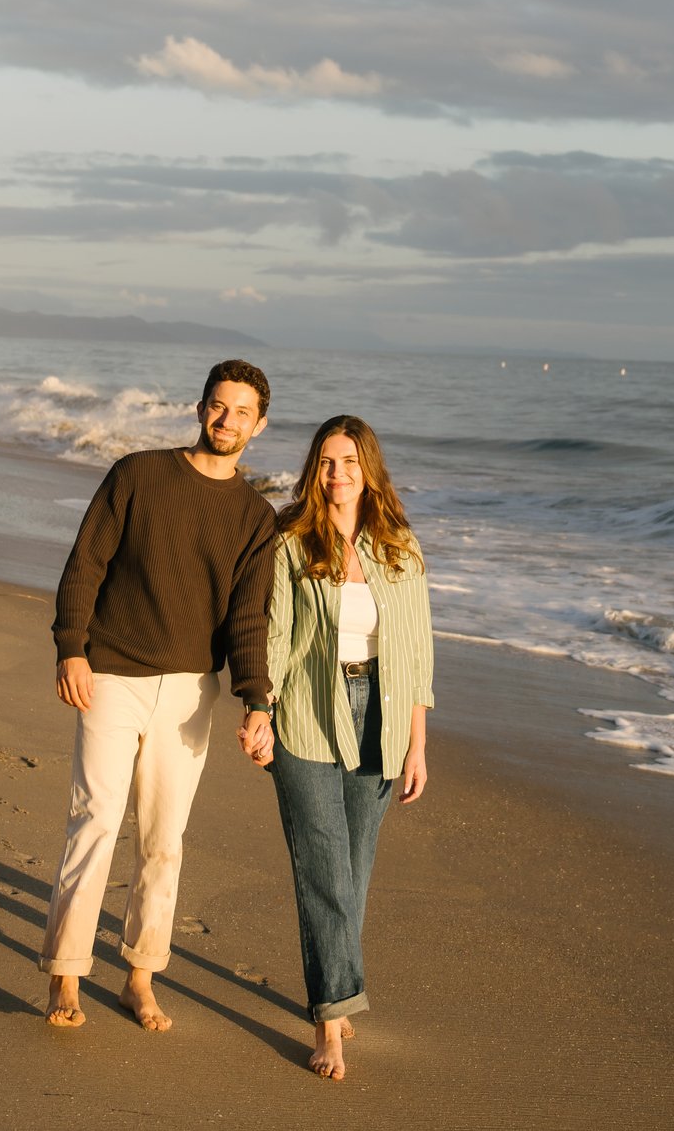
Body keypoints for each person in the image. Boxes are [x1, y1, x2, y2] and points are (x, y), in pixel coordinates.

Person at [42, 360, 279, 1032]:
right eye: (218, 406)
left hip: (190, 691)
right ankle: (65, 975)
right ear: (200, 408)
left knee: (163, 838)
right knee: (94, 821)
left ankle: (140, 977)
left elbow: (248, 617)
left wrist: (256, 699)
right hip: (112, 675)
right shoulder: (138, 474)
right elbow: (85, 562)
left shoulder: (256, 518)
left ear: (259, 425)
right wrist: (70, 646)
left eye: (241, 412)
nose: (227, 420)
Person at [243, 413, 434, 1080]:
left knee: (354, 869)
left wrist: (417, 746)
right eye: (327, 461)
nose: (337, 473)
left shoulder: (400, 547)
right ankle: (331, 1019)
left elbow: (417, 653)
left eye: (350, 461)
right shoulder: (293, 542)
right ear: (313, 470)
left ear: (368, 469)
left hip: (380, 713)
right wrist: (259, 710)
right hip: (306, 712)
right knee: (323, 868)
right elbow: (274, 634)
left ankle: (338, 984)